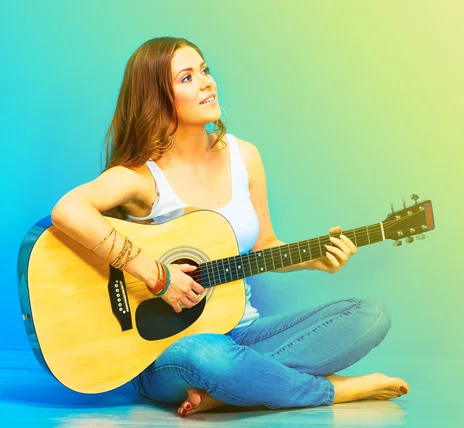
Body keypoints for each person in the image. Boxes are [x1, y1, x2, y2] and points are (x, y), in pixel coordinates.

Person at [51, 37, 409, 417]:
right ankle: (329, 392)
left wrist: (313, 260)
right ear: (158, 98)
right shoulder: (141, 177)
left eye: (204, 70)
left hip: (242, 331)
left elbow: (264, 246)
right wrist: (159, 277)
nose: (207, 82)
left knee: (370, 315)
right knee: (206, 354)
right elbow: (68, 210)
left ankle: (232, 390)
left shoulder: (245, 157)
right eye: (187, 77)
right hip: (164, 351)